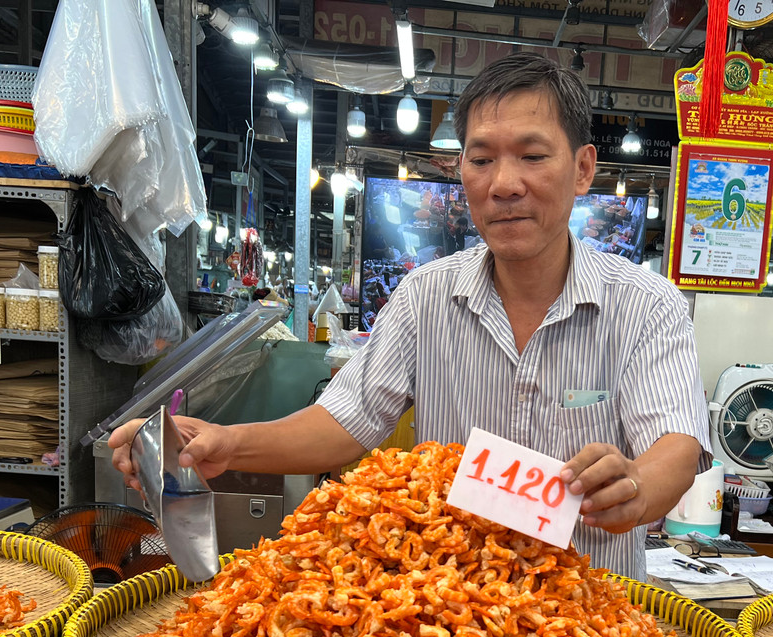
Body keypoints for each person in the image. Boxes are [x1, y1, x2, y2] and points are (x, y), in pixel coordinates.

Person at [110, 52, 711, 581]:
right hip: (446, 614)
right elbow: (345, 421)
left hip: (590, 618)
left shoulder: (646, 304)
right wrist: (228, 442)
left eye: (532, 155)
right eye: (481, 160)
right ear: (461, 171)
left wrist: (634, 487)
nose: (504, 184)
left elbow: (676, 447)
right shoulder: (426, 296)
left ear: (583, 168)